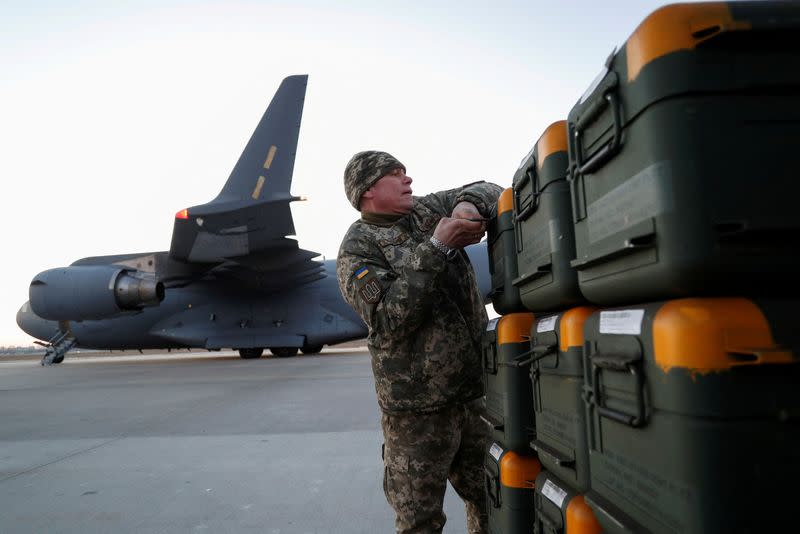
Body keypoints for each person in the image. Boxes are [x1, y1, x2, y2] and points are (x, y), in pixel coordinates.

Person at [336, 150, 502, 534]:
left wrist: (465, 206)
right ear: (368, 191)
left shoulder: (427, 210)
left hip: (473, 396)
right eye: (395, 175)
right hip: (415, 415)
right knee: (420, 522)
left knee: (492, 505)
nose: (407, 179)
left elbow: (489, 189)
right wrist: (437, 248)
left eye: (405, 172)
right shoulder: (358, 249)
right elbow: (389, 318)